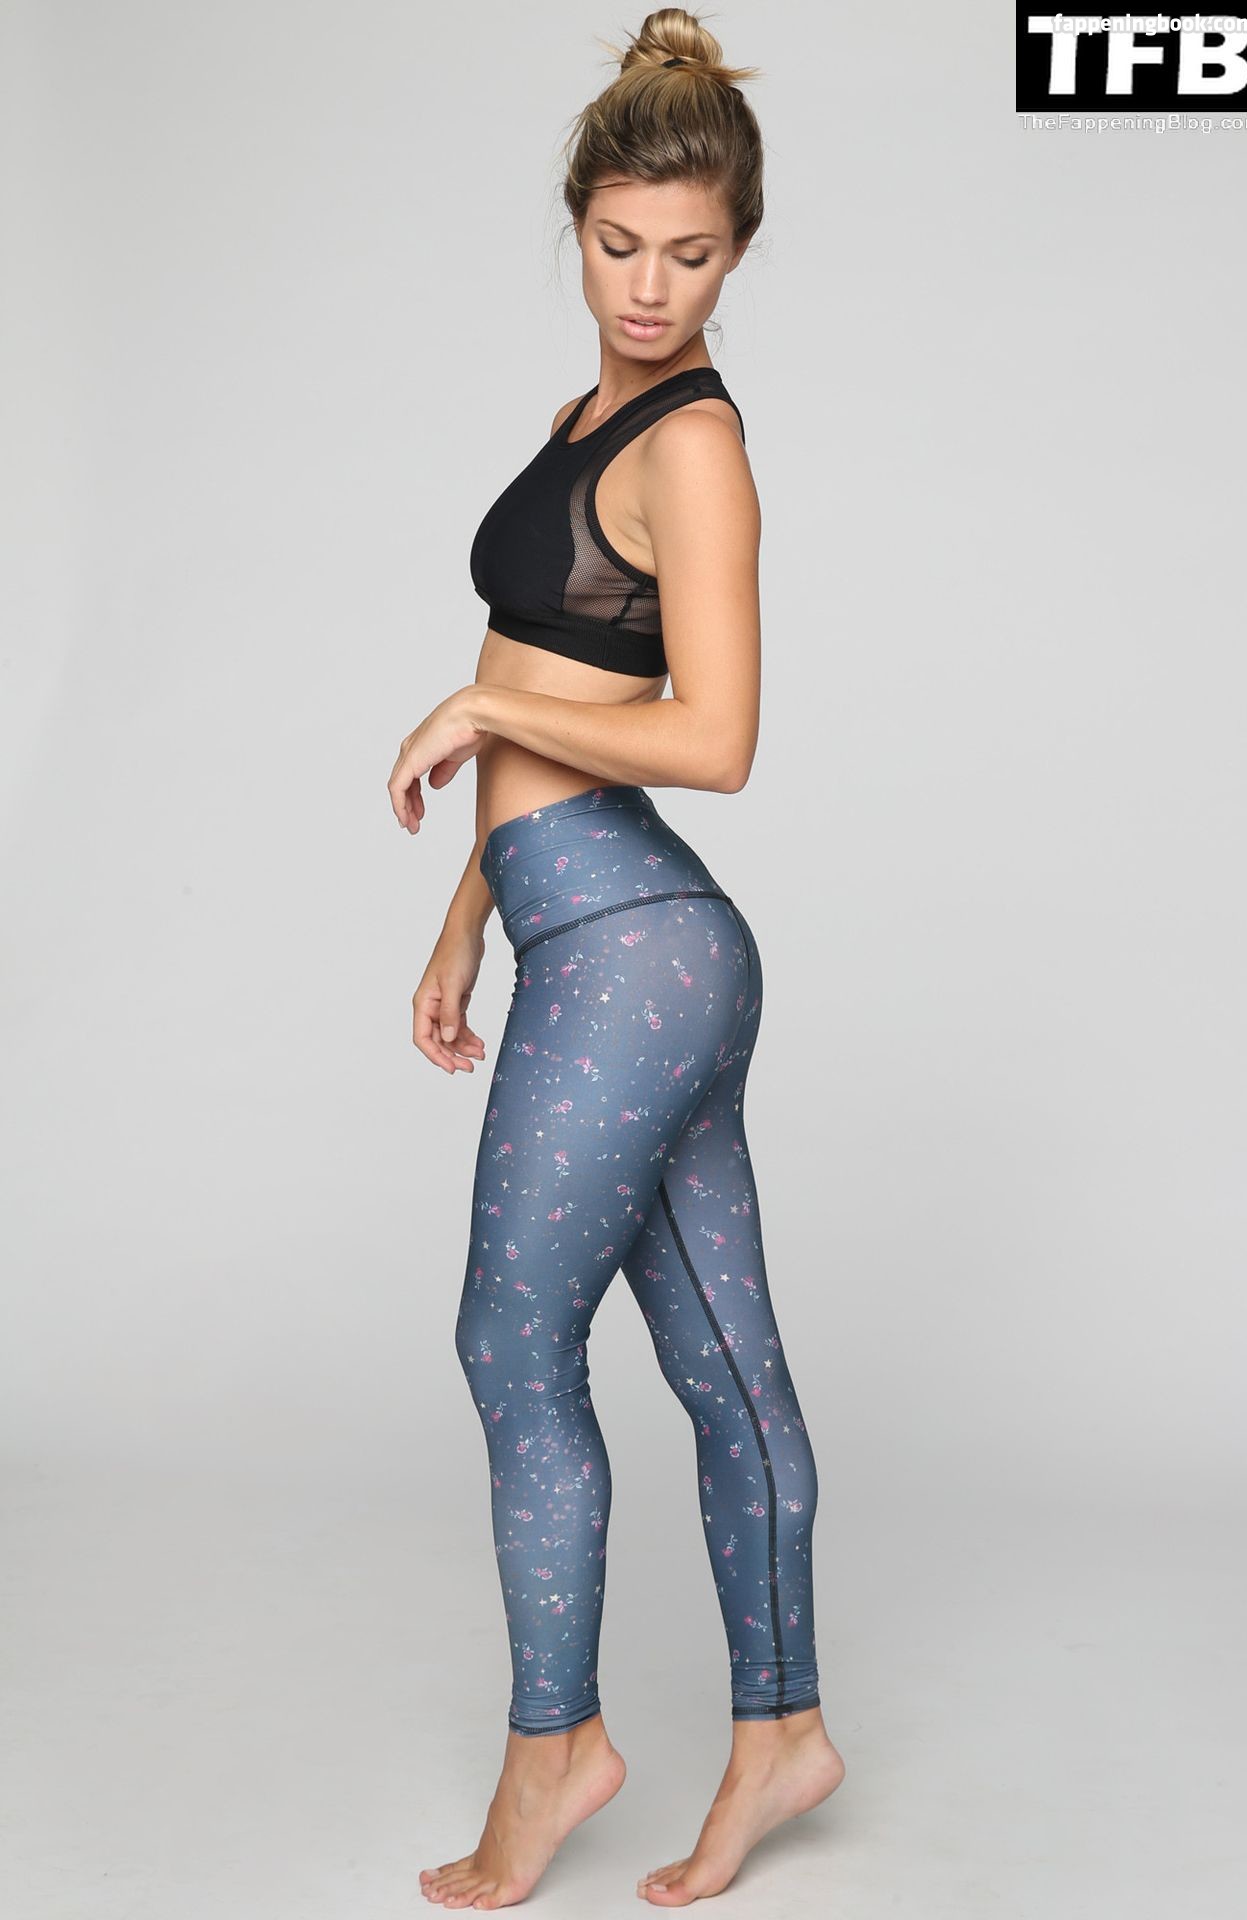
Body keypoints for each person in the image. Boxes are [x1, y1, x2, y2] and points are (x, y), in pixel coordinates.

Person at [387, 10, 845, 1908]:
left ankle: (554, 1750)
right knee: (724, 1364)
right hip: (606, 934)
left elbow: (712, 738)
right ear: (577, 227)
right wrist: (465, 915)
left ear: (740, 255)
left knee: (515, 1343)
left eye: (694, 254)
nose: (652, 288)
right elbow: (551, 679)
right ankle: (783, 1734)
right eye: (620, 244)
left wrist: (475, 708)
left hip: (635, 949)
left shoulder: (698, 449)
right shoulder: (588, 425)